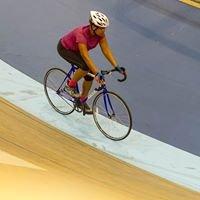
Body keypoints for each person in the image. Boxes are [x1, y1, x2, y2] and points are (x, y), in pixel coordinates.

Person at [57, 10, 125, 114]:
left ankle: (81, 101)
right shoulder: (81, 34)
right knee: (85, 67)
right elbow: (85, 56)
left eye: (104, 28)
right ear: (93, 26)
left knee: (90, 76)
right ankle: (69, 86)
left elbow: (106, 50)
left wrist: (116, 66)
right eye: (102, 28)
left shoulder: (100, 35)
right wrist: (97, 73)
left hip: (77, 52)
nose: (104, 31)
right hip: (65, 49)